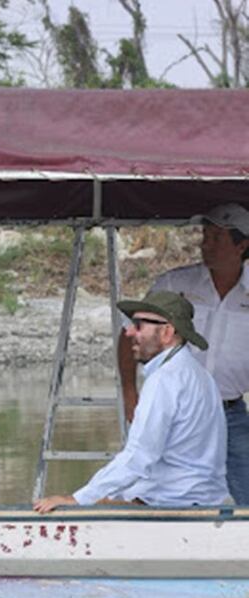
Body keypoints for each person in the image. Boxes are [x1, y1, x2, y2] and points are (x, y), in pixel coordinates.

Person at [36, 292, 228, 512]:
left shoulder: (165, 380)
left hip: (172, 499)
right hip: (202, 496)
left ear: (166, 332)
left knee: (78, 507)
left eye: (138, 325)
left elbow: (139, 456)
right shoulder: (197, 373)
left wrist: (78, 498)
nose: (128, 332)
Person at [118, 204, 249, 504]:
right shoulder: (174, 284)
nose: (206, 244)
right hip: (176, 413)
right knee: (148, 494)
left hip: (231, 413)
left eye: (217, 237)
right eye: (205, 235)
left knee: (247, 501)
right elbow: (130, 335)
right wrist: (129, 392)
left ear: (242, 245)